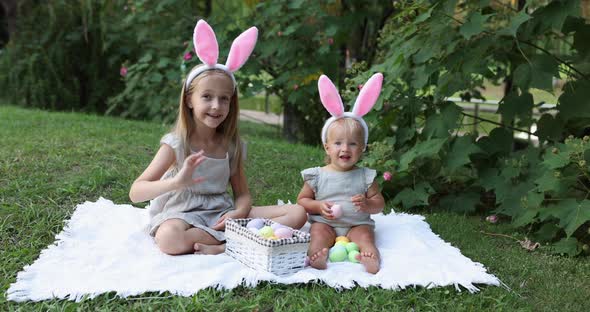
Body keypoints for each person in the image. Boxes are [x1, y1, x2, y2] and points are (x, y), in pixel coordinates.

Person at [129, 20, 307, 256]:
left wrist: (239, 213)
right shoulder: (176, 144)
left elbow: (242, 194)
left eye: (224, 99)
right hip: (183, 213)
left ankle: (226, 242)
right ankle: (236, 241)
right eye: (207, 97)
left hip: (222, 213)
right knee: (168, 238)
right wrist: (176, 183)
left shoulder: (231, 146)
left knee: (298, 213)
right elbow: (136, 192)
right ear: (189, 101)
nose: (216, 106)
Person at [297, 73, 385, 274]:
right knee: (318, 234)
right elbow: (302, 201)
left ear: (362, 148)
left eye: (352, 144)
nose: (345, 149)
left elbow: (379, 204)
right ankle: (317, 256)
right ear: (327, 147)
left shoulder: (365, 176)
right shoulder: (317, 175)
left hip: (357, 224)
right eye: (338, 143)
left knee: (365, 237)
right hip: (325, 222)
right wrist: (318, 206)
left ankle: (371, 258)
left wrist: (367, 204)